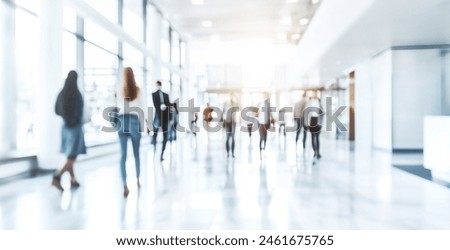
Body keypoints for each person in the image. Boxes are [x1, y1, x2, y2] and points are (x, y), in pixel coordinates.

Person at [52, 70, 86, 191]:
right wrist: (74, 119)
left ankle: (73, 179)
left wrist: (66, 117)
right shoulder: (76, 94)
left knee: (70, 156)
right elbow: (80, 112)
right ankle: (57, 177)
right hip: (74, 128)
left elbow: (56, 110)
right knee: (72, 157)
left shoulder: (61, 93)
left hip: (65, 127)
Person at [117, 67, 145, 197]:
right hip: (134, 120)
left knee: (123, 155)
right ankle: (138, 179)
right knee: (136, 154)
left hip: (122, 120)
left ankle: (124, 185)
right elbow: (141, 108)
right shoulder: (138, 90)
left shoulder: (120, 89)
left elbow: (117, 107)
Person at [152, 81, 171, 161]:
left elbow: (169, 106)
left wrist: (169, 118)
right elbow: (156, 106)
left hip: (165, 118)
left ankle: (162, 154)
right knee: (155, 135)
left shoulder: (166, 95)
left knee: (165, 136)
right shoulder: (154, 94)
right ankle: (154, 150)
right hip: (158, 117)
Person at [305, 91, 323, 159]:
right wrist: (306, 123)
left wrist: (321, 123)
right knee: (313, 137)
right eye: (313, 93)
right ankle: (315, 152)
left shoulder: (319, 101)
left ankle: (318, 152)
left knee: (317, 138)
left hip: (318, 121)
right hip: (311, 121)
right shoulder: (309, 102)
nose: (314, 95)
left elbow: (322, 112)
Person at [257, 93, 274, 159]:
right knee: (261, 137)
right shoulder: (259, 104)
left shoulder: (268, 104)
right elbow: (257, 113)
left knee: (265, 137)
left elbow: (271, 113)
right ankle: (260, 152)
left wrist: (272, 119)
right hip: (260, 123)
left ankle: (264, 148)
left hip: (266, 123)